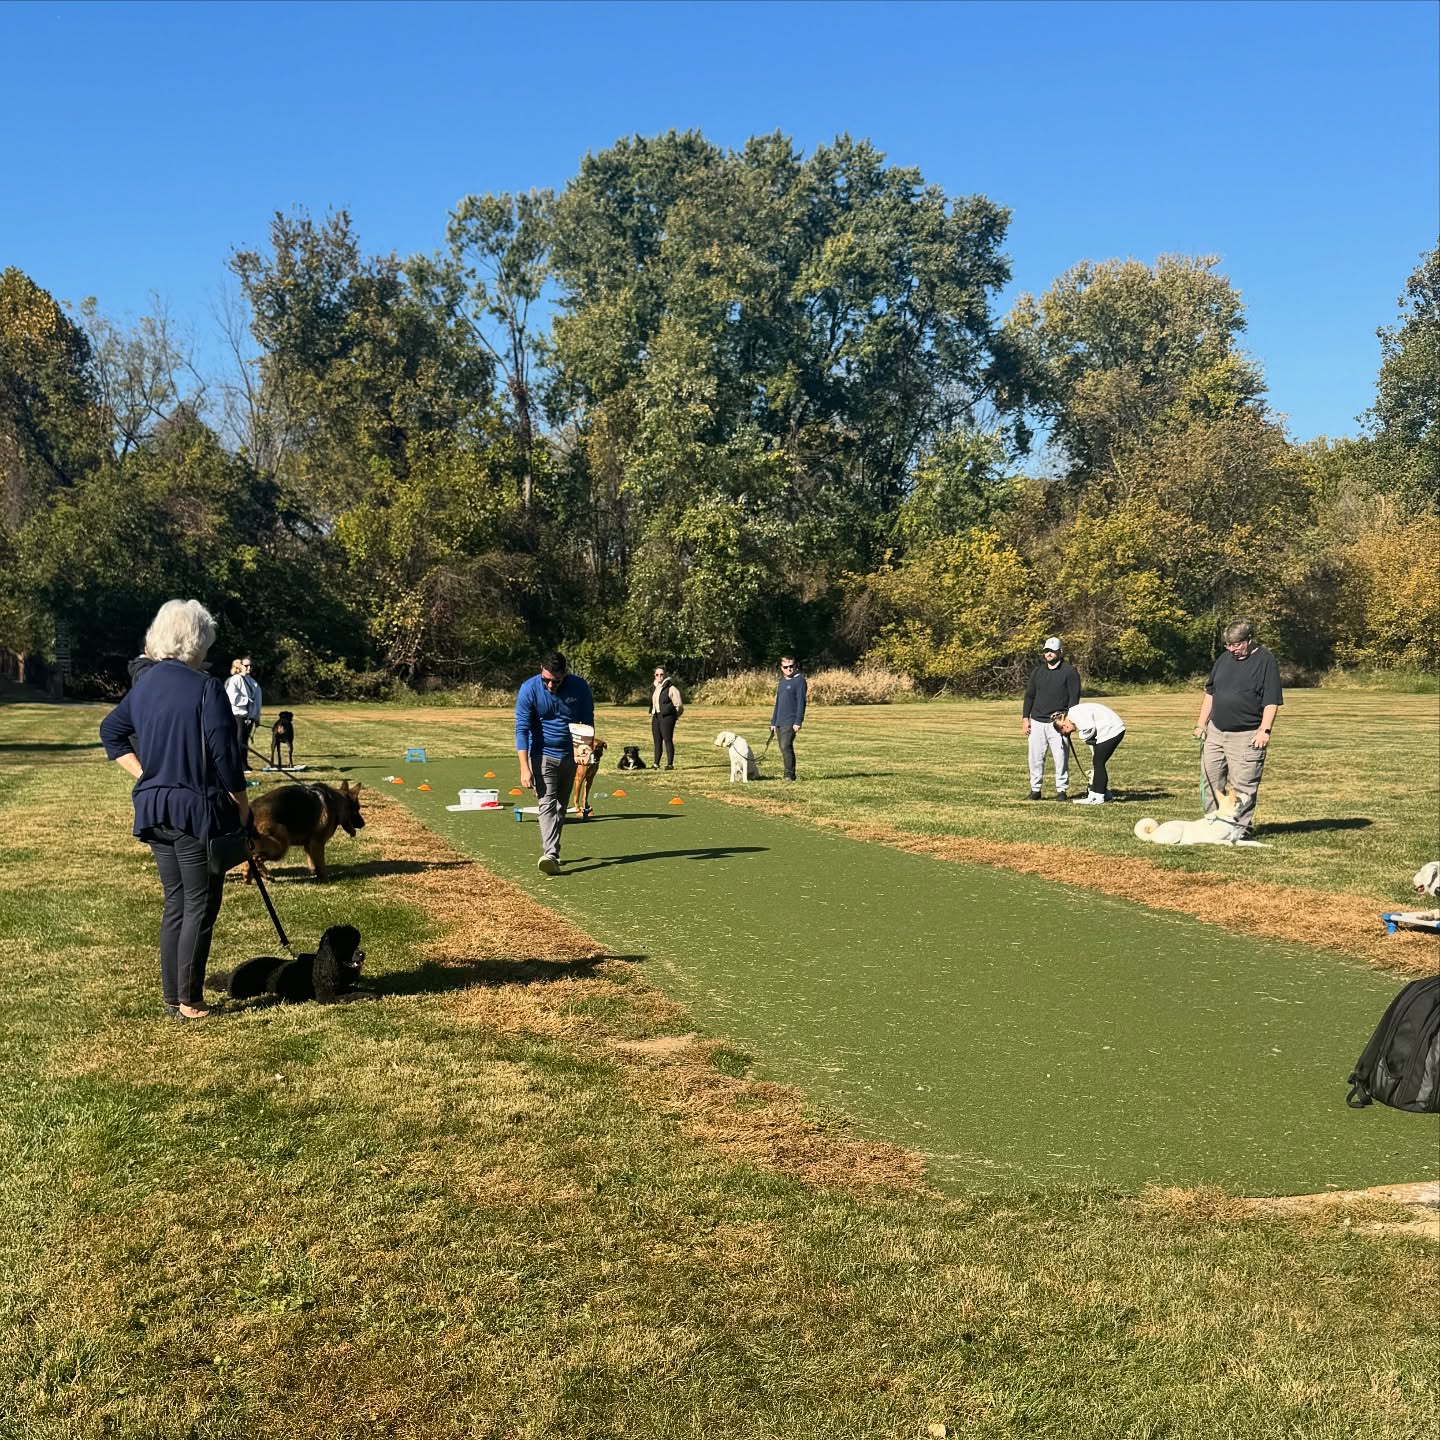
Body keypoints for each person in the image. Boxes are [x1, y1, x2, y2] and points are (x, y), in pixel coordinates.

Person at [99, 599, 251, 1020]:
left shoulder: (143, 684)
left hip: (153, 809)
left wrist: (145, 774)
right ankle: (189, 1001)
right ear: (198, 641)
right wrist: (243, 807)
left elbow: (111, 732)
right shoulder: (206, 688)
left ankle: (174, 998)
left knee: (176, 903)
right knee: (199, 903)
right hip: (193, 812)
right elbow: (226, 759)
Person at [1193, 619, 1282, 837]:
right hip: (1216, 731)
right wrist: (1201, 723)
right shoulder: (1224, 659)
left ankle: (1239, 831)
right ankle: (1213, 826)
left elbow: (1271, 700)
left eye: (1236, 645)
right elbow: (1210, 693)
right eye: (1228, 645)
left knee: (1243, 785)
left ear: (1248, 640)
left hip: (1247, 734)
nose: (1232, 649)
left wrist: (1264, 730)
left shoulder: (1265, 661)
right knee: (1211, 780)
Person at [515, 649, 595, 876]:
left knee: (561, 806)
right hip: (542, 755)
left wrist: (584, 754)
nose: (551, 686)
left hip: (569, 756)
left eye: (556, 681)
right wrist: (525, 767)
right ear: (541, 670)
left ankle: (554, 853)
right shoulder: (529, 689)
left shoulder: (579, 688)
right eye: (546, 680)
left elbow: (587, 722)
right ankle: (549, 854)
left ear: (565, 674)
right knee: (547, 803)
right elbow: (521, 729)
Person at [1022, 636, 1081, 799]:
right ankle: (1035, 790)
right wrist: (1025, 718)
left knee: (1061, 758)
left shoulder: (1069, 672)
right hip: (1037, 722)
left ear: (1060, 652)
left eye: (1052, 651)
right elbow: (1029, 696)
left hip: (1058, 723)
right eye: (1046, 651)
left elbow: (1074, 699)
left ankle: (1061, 790)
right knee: (1035, 758)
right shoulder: (1037, 672)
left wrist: (1069, 721)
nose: (1049, 654)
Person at [1053, 701, 1126, 804]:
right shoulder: (1073, 715)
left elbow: (1089, 728)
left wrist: (1083, 737)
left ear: (1063, 724)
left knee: (1098, 763)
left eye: (1066, 730)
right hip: (1108, 731)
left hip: (1112, 730)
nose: (1069, 732)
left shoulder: (1075, 715)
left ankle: (1099, 797)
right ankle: (1094, 795)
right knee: (1097, 763)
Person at [769, 655, 807, 782]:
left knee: (786, 746)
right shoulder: (782, 682)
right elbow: (778, 703)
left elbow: (802, 702)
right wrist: (773, 722)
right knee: (783, 747)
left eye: (791, 666)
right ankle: (788, 772)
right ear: (781, 668)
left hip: (790, 721)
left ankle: (789, 774)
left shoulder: (800, 681)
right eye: (786, 667)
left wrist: (798, 721)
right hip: (779, 721)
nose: (789, 669)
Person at [224, 656, 261, 767]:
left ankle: (244, 763)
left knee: (244, 741)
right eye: (246, 665)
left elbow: (258, 701)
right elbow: (232, 697)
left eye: (250, 665)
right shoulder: (235, 679)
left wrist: (256, 716)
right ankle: (239, 765)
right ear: (240, 667)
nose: (249, 668)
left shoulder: (253, 682)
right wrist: (246, 700)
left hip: (249, 716)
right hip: (238, 715)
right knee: (239, 741)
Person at [650, 665, 684, 769]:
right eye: (657, 674)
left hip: (667, 717)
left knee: (667, 739)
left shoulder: (671, 688)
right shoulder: (654, 687)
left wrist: (674, 715)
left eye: (661, 674)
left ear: (665, 675)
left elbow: (679, 705)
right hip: (656, 716)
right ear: (654, 676)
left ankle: (670, 764)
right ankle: (656, 763)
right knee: (657, 741)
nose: (659, 676)